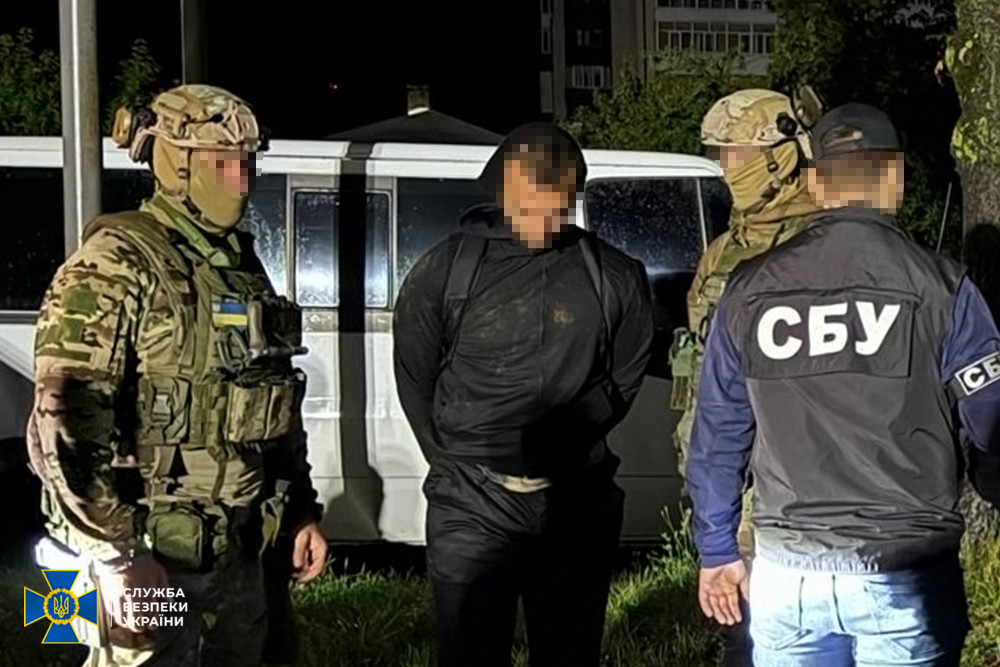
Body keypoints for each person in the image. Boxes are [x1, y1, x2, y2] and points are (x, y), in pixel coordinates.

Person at [687, 102, 1000, 666]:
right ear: (895, 176)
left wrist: (717, 549)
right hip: (904, 567)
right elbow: (991, 421)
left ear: (815, 183)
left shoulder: (749, 288)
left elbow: (717, 434)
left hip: (787, 573)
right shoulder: (942, 287)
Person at [26, 84, 328, 667]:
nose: (240, 179)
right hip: (144, 556)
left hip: (235, 550)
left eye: (246, 164)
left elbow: (272, 406)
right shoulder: (114, 261)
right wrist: (114, 555)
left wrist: (300, 511)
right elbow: (61, 423)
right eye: (222, 163)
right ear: (176, 163)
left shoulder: (239, 267)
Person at [393, 123, 654, 667]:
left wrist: (573, 436)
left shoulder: (615, 275)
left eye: (560, 211)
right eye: (534, 209)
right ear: (504, 192)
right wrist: (456, 462)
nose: (547, 224)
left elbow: (625, 375)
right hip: (471, 504)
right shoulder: (445, 270)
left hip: (576, 503)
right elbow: (415, 378)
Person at [669, 87, 823, 665]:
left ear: (779, 157)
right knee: (742, 641)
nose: (725, 168)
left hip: (798, 505)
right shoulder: (722, 253)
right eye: (721, 155)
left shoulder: (822, 243)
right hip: (728, 496)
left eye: (735, 154)